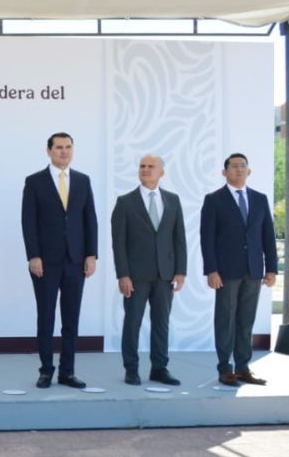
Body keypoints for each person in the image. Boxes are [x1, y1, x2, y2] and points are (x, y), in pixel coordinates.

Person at [21, 132, 97, 389]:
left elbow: (90, 220)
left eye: (68, 147)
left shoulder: (83, 181)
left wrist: (91, 255)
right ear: (49, 151)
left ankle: (67, 372)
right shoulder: (35, 182)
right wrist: (33, 256)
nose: (64, 152)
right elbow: (28, 222)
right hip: (45, 262)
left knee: (71, 319)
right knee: (46, 317)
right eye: (59, 148)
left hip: (75, 260)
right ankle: (46, 371)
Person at [200, 153, 277, 386]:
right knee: (225, 320)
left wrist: (271, 268)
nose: (239, 170)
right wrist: (211, 270)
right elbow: (207, 238)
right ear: (225, 172)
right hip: (225, 272)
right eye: (233, 166)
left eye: (243, 166)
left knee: (246, 320)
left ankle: (243, 368)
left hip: (253, 271)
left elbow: (268, 237)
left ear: (249, 171)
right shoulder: (214, 200)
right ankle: (225, 368)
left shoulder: (260, 199)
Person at [110, 155, 186, 386]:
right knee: (132, 322)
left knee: (161, 323)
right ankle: (131, 369)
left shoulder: (172, 200)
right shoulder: (125, 202)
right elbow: (118, 243)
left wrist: (180, 271)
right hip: (135, 276)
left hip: (165, 275)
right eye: (142, 166)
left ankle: (159, 368)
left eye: (151, 166)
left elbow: (179, 238)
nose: (145, 169)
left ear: (161, 172)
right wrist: (123, 274)